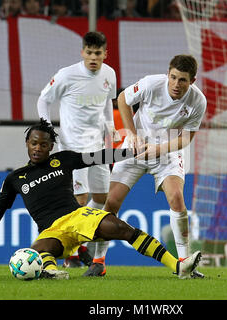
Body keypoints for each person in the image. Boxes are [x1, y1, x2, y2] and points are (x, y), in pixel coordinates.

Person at [0, 119, 202, 280]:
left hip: (79, 217)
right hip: (51, 229)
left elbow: (96, 157)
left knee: (122, 228)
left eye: (43, 145)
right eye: (34, 143)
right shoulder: (16, 178)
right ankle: (52, 272)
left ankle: (178, 267)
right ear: (27, 143)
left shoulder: (63, 159)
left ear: (50, 147)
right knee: (40, 249)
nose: (38, 148)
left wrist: (129, 151)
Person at [84, 54, 207, 278]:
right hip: (135, 148)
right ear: (167, 73)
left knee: (176, 198)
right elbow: (122, 99)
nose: (176, 84)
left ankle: (185, 264)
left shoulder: (198, 101)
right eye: (173, 77)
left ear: (193, 81)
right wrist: (131, 133)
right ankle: (99, 261)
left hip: (167, 151)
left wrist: (159, 149)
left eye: (183, 80)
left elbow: (186, 138)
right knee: (111, 201)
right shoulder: (151, 84)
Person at [37, 31, 120, 272]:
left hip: (98, 147)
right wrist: (47, 128)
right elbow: (43, 100)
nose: (94, 57)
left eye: (98, 53)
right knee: (80, 200)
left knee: (103, 198)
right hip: (72, 148)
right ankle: (70, 252)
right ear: (82, 52)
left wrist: (111, 128)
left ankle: (82, 246)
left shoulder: (109, 74)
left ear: (106, 53)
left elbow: (106, 102)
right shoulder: (66, 75)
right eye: (90, 52)